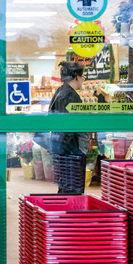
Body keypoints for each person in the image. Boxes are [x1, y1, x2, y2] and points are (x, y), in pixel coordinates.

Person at [48, 61, 89, 194]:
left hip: (62, 149)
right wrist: (78, 152)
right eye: (82, 77)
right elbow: (70, 126)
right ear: (77, 77)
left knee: (66, 187)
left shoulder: (60, 92)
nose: (82, 81)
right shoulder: (71, 96)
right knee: (73, 190)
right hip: (71, 151)